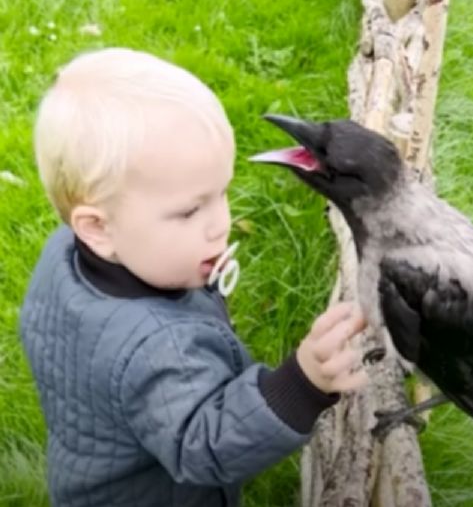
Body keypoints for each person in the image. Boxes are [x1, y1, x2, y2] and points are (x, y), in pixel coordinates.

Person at [19, 47, 368, 505]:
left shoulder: (63, 254)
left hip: (91, 474)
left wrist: (201, 285)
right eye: (189, 211)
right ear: (98, 227)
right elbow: (207, 446)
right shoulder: (159, 351)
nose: (220, 223)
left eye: (220, 193)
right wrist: (300, 384)